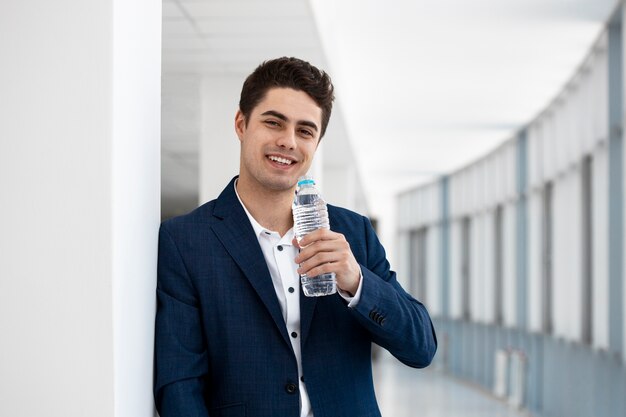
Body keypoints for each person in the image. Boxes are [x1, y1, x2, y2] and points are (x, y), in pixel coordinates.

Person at [154, 57, 437, 417]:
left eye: (305, 131)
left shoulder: (353, 232)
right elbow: (179, 383)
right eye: (273, 122)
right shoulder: (185, 240)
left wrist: (357, 282)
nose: (288, 141)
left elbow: (421, 347)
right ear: (241, 124)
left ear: (316, 142)